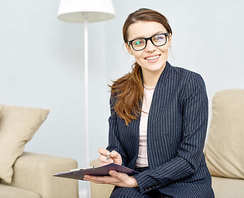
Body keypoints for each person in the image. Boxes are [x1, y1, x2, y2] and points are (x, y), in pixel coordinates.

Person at [83, 8, 215, 198]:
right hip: (137, 181)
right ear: (129, 48)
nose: (150, 48)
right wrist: (115, 158)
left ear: (169, 39)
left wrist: (136, 181)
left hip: (184, 184)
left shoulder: (190, 83)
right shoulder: (120, 90)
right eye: (139, 42)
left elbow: (190, 158)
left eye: (158, 38)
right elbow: (116, 144)